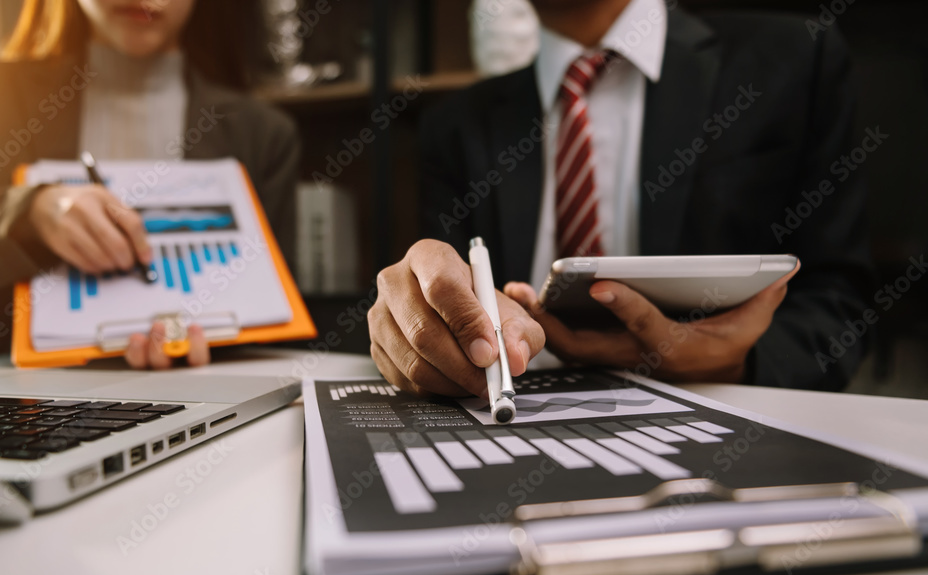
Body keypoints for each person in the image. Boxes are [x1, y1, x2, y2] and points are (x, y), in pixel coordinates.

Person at [369, 0, 874, 398]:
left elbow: (841, 298)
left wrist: (741, 361)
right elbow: (442, 291)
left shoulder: (794, 58)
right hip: (524, 411)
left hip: (721, 413)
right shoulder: (454, 126)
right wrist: (418, 319)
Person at [0, 0, 300, 368]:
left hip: (201, 406)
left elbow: (267, 320)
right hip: (28, 411)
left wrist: (215, 355)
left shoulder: (265, 135)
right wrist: (26, 213)